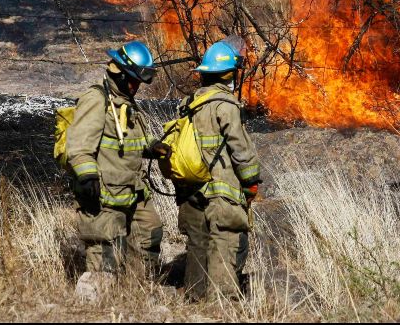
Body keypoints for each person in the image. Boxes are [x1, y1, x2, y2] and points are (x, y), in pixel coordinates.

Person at [66, 40, 167, 277]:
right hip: (105, 193)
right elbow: (79, 146)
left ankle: (137, 289)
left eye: (138, 82)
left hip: (133, 189)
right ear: (119, 72)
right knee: (105, 245)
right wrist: (87, 175)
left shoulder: (126, 103)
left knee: (150, 232)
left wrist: (152, 147)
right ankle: (100, 300)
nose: (135, 87)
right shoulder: (97, 99)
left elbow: (133, 139)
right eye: (132, 80)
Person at [176, 39, 262, 300]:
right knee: (224, 238)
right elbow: (240, 148)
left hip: (191, 188)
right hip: (220, 189)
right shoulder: (225, 105)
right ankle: (221, 303)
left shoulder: (189, 103)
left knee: (198, 242)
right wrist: (251, 181)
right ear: (229, 75)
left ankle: (194, 298)